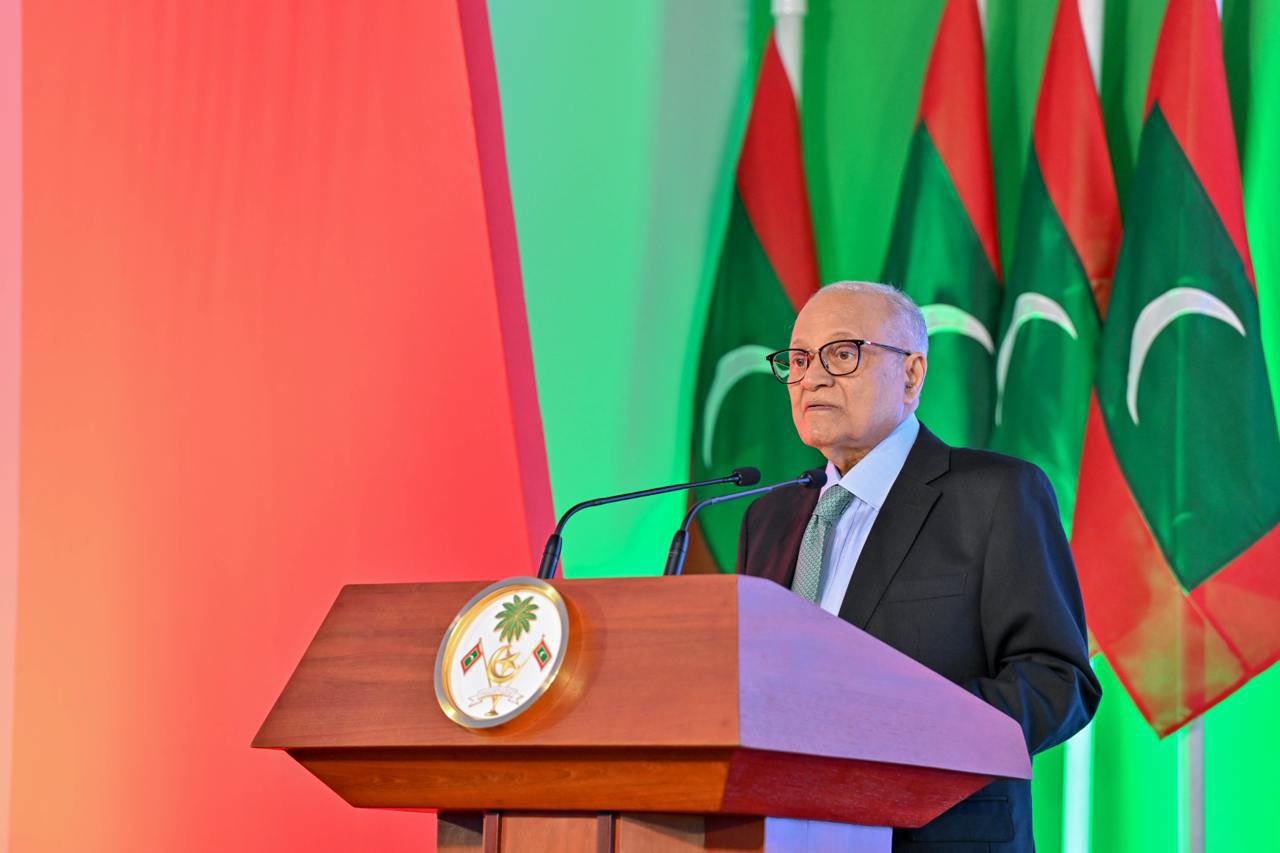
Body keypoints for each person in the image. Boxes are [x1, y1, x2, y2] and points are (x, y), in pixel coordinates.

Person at [737, 280, 1100, 852]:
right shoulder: (770, 516)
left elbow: (1059, 683)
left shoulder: (995, 495)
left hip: (933, 834)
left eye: (842, 353)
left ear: (911, 374)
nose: (811, 377)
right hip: (780, 830)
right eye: (799, 359)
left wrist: (899, 726)